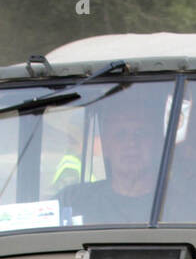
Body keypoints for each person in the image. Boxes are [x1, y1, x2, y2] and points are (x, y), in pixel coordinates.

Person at [59, 88, 166, 225]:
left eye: (141, 133)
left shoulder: (178, 206)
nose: (131, 143)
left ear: (156, 144)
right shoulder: (72, 201)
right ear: (105, 147)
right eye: (120, 135)